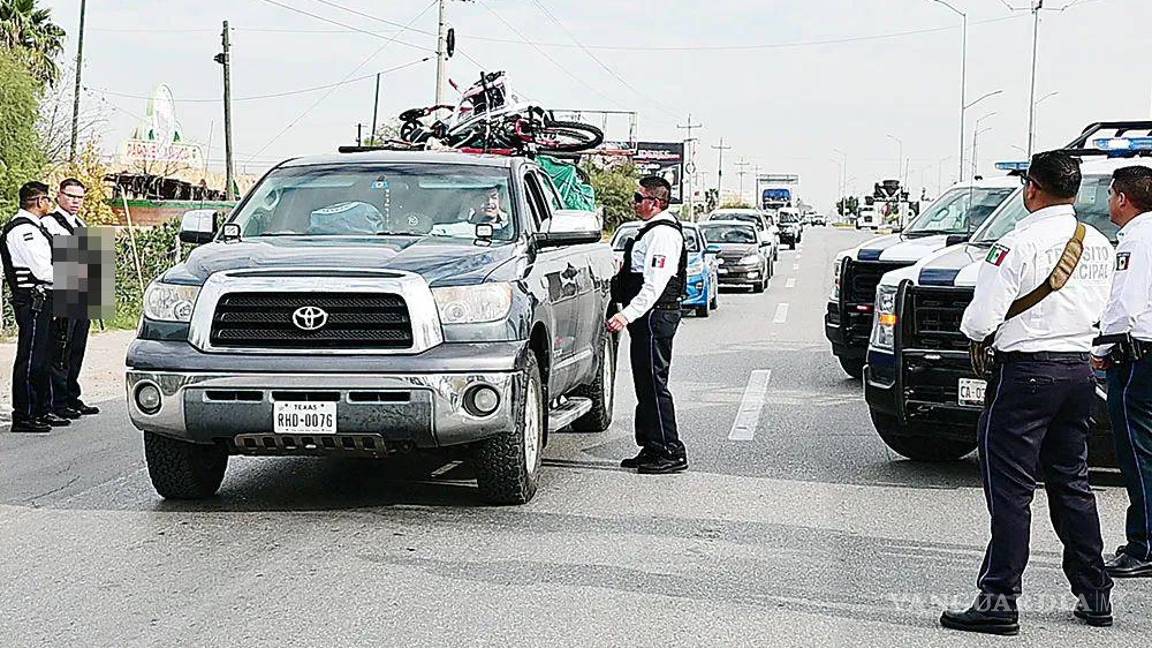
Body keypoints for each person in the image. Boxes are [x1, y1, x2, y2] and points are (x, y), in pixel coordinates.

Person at [944, 151, 1116, 634]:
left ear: (1031, 189)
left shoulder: (1016, 243)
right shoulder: (1099, 243)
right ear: (1074, 192)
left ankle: (998, 601)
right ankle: (1095, 594)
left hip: (1025, 374)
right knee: (1072, 484)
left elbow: (981, 320)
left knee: (1011, 492)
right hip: (1077, 372)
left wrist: (976, 334)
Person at [1091, 165, 1152, 579]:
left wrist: (1100, 348)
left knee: (1138, 454)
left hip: (1138, 359)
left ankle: (1144, 545)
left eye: (1111, 194)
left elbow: (1124, 305)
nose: (1110, 202)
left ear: (1123, 198)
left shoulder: (1137, 238)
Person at [607, 176, 688, 474]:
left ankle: (670, 450)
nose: (634, 202)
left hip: (655, 315)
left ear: (654, 202)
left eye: (638, 198)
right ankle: (652, 446)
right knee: (644, 383)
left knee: (654, 384)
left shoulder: (663, 234)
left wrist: (626, 315)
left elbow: (655, 284)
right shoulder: (651, 230)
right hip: (648, 317)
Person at [1, 182, 71, 433]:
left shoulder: (34, 227)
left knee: (44, 357)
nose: (49, 204)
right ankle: (25, 414)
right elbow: (43, 271)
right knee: (31, 358)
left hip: (43, 299)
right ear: (40, 201)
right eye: (48, 199)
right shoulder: (24, 230)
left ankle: (42, 409)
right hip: (33, 301)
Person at [42, 178, 99, 419]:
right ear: (59, 195)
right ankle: (58, 401)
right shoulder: (50, 223)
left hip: (82, 291)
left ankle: (71, 396)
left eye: (80, 197)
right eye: (71, 196)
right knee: (60, 350)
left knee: (77, 348)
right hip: (63, 291)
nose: (75, 201)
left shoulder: (80, 223)